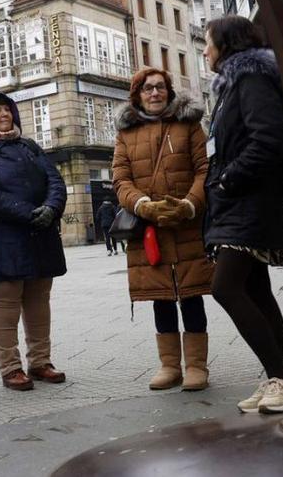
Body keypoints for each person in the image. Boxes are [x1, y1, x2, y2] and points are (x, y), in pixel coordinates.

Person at [202, 16, 283, 414]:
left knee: (225, 287)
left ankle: (281, 379)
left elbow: (269, 138)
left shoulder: (251, 78)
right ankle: (277, 378)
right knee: (256, 291)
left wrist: (228, 179)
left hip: (251, 201)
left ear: (226, 44)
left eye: (207, 43)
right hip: (236, 202)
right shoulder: (229, 85)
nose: (204, 50)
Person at [113, 68, 214, 392]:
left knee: (192, 294)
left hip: (187, 226)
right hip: (149, 229)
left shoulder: (189, 126)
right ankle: (170, 366)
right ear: (137, 95)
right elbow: (120, 180)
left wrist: (188, 204)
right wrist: (142, 204)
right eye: (147, 88)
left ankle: (197, 366)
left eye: (160, 87)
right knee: (161, 297)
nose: (154, 93)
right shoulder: (126, 134)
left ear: (169, 92)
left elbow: (205, 170)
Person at [0, 92, 68, 391]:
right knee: (6, 303)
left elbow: (55, 182)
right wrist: (28, 213)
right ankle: (10, 367)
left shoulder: (31, 147)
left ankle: (40, 361)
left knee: (38, 303)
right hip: (2, 241)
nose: (4, 115)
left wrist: (51, 208)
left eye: (7, 109)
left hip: (40, 236)